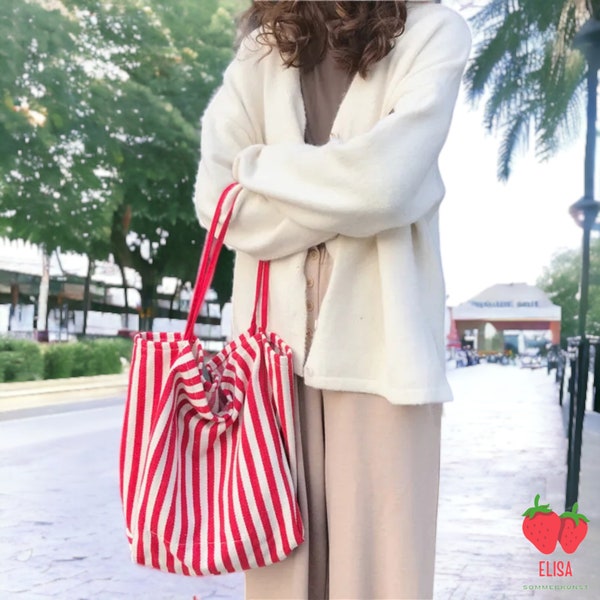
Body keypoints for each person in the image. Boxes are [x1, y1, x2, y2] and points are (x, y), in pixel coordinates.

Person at [194, 1, 471, 598]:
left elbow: (383, 185)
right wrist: (348, 199)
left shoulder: (435, 33)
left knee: (383, 581)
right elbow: (217, 201)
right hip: (269, 367)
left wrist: (261, 165)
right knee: (279, 578)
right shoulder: (262, 51)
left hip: (384, 362)